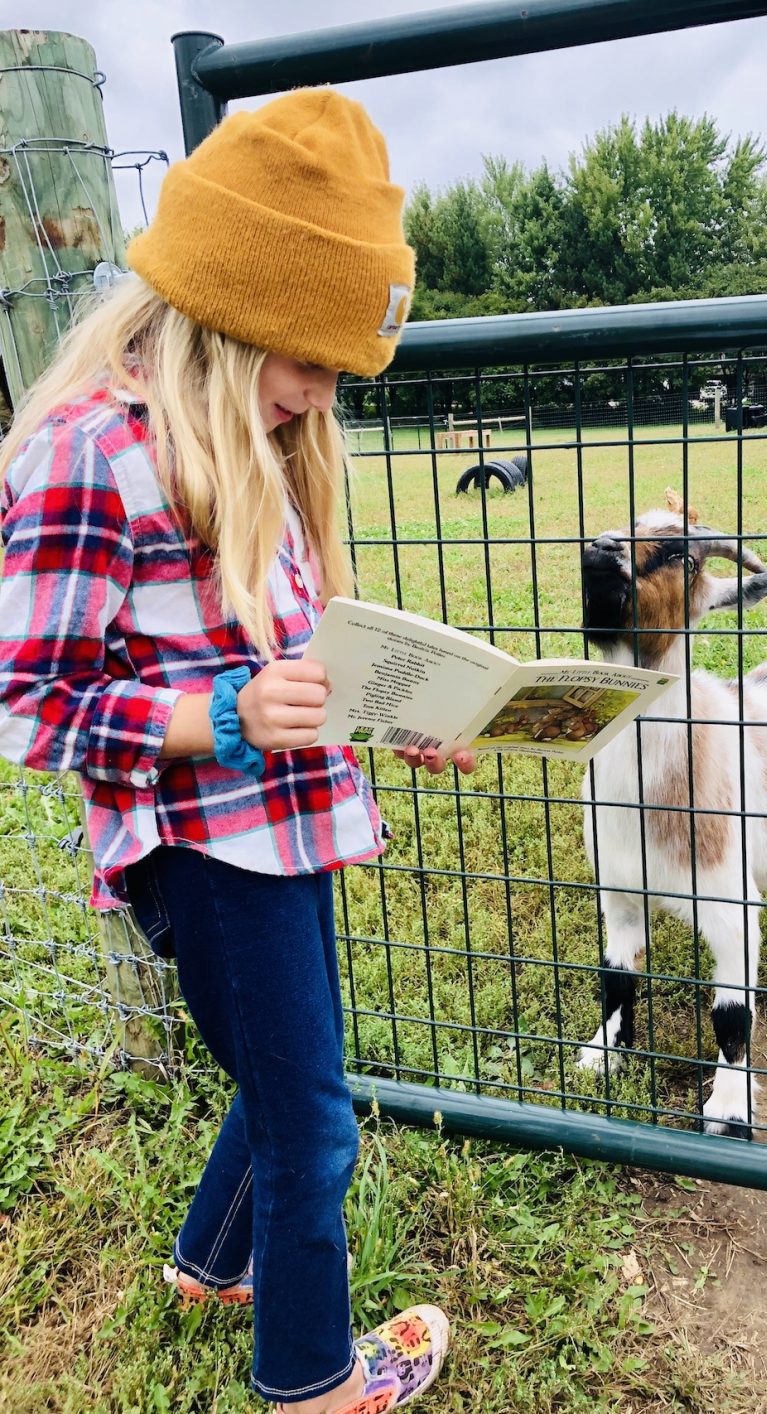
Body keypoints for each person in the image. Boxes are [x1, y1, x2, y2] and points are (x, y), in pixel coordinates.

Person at [0, 90, 473, 1414]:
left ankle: (210, 1268)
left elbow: (285, 658)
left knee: (283, 1070)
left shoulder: (256, 439)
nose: (318, 393)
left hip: (287, 827)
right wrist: (216, 719)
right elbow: (30, 704)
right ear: (221, 304)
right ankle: (313, 1386)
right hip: (205, 852)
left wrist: (401, 710)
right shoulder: (94, 454)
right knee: (315, 1121)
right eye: (300, 353)